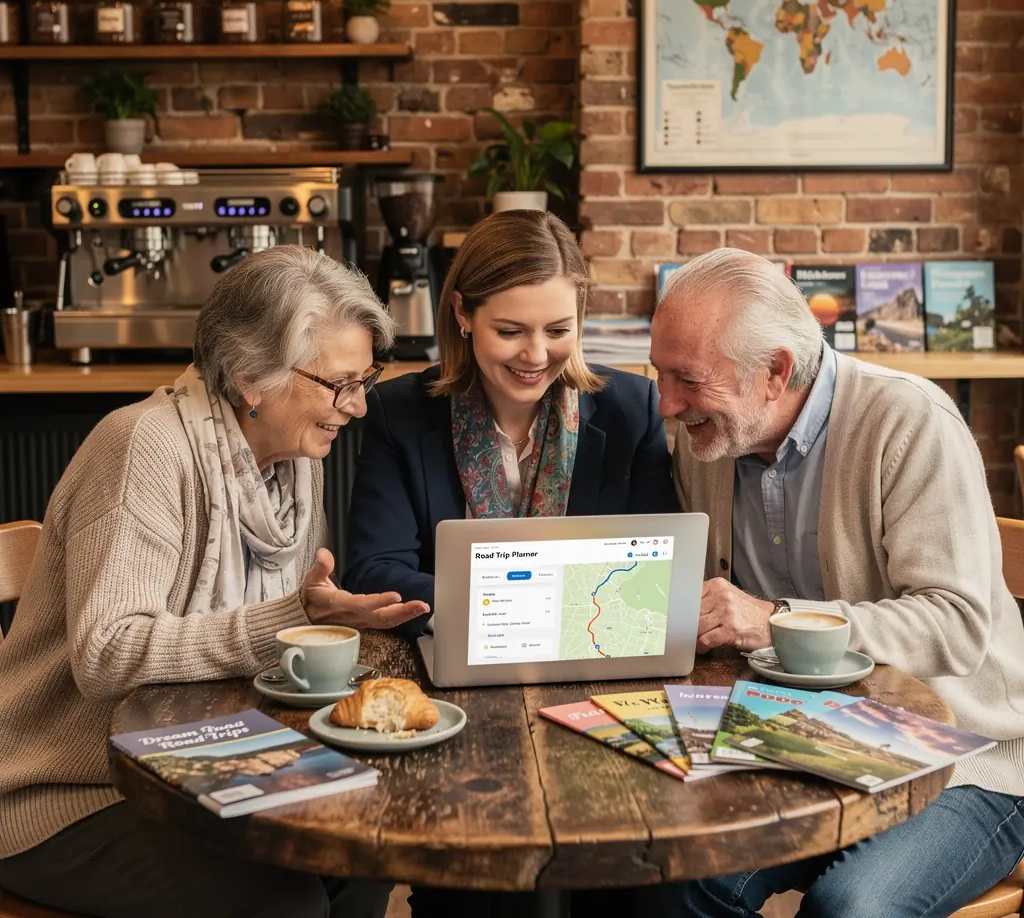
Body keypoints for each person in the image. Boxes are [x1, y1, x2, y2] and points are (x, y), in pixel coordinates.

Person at [0, 245, 429, 918]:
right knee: (286, 905)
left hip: (198, 763)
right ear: (252, 375)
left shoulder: (291, 463)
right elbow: (106, 654)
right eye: (338, 383)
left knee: (368, 853)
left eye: (365, 380)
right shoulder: (143, 448)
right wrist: (286, 621)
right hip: (67, 793)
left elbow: (266, 649)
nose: (359, 407)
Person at [608, 247, 1024, 917]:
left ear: (774, 371)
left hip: (963, 755)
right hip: (799, 736)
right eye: (659, 375)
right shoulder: (711, 434)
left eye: (686, 379)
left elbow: (957, 625)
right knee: (667, 873)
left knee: (849, 908)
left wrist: (773, 618)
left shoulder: (909, 422)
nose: (665, 404)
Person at [343, 209, 678, 631]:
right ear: (463, 312)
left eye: (558, 331)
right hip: (446, 656)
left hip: (592, 656)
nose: (536, 355)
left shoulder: (633, 410)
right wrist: (508, 608)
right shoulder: (399, 413)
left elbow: (657, 570)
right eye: (509, 331)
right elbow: (373, 574)